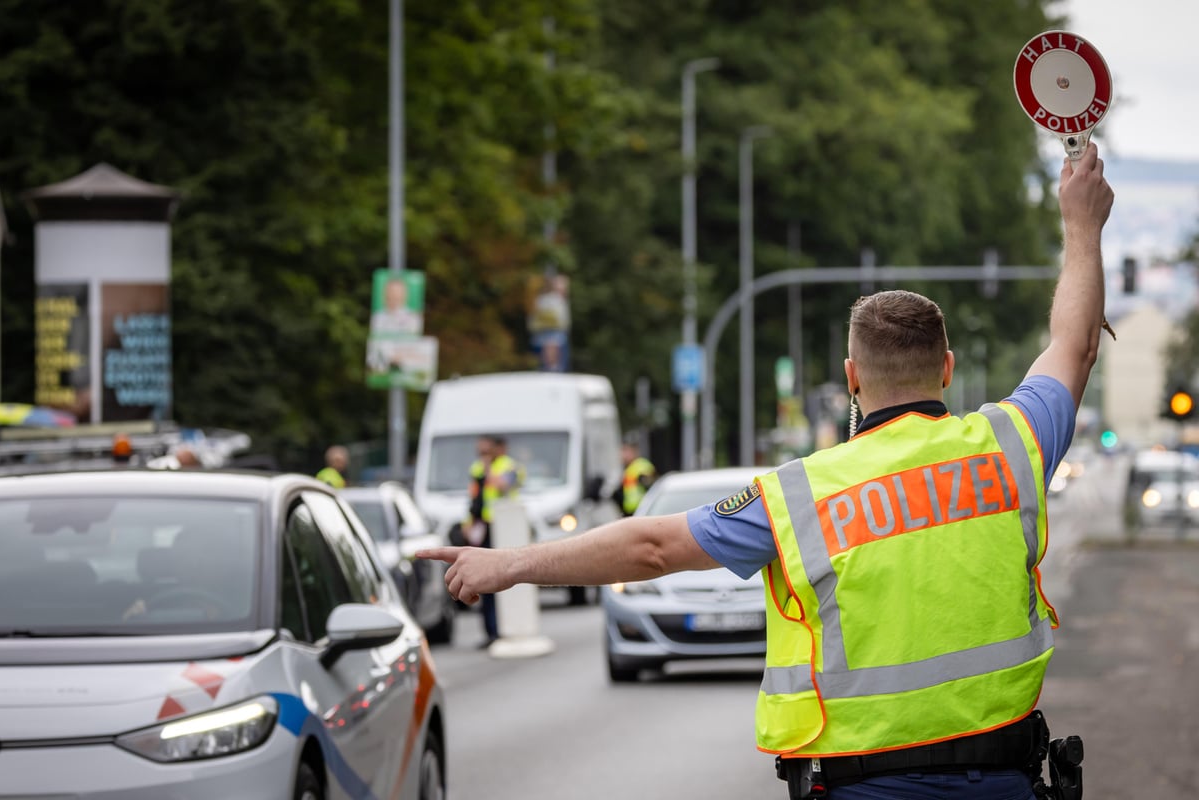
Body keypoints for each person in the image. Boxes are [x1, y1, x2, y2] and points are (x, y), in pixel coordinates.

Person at [418, 143, 1114, 798]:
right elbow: (1074, 344)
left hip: (865, 785)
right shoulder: (1009, 445)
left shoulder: (800, 496)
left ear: (851, 379)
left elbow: (651, 546)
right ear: (948, 368)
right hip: (1003, 779)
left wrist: (508, 564)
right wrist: (1081, 223)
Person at [463, 434, 523, 647]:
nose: (483, 455)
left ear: (500, 449)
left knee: (506, 578)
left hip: (506, 528)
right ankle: (491, 632)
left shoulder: (511, 466)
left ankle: (507, 628)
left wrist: (488, 469)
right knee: (485, 579)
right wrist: (468, 522)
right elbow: (474, 498)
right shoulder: (476, 469)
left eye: (487, 451)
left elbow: (504, 486)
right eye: (481, 452)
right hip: (485, 527)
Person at [613, 441, 656, 516]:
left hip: (642, 510)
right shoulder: (629, 468)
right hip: (631, 511)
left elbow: (650, 487)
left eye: (626, 451)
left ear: (634, 452)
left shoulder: (642, 466)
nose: (623, 455)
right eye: (622, 451)